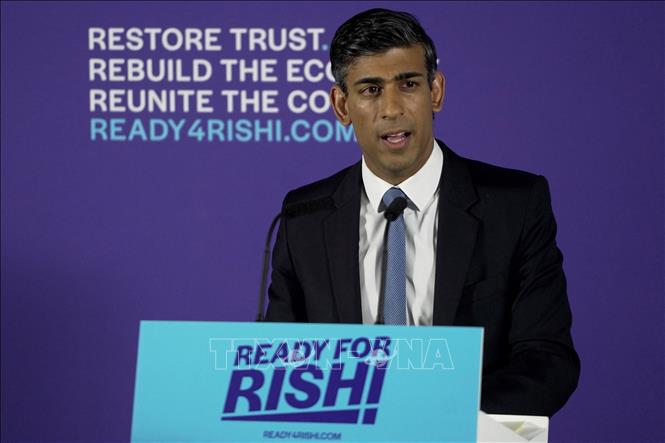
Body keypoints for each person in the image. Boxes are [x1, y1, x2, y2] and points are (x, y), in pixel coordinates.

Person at [265, 8, 580, 417]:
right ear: (342, 106)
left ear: (436, 92)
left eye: (408, 84)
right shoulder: (304, 217)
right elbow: (280, 363)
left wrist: (440, 417)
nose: (392, 108)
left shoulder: (515, 205)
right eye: (371, 89)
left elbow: (547, 360)